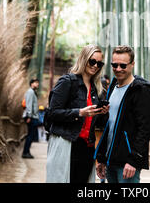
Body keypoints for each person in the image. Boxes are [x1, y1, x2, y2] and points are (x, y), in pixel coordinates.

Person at [46, 45, 109, 183]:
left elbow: (94, 122)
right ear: (83, 59)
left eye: (99, 63)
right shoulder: (67, 81)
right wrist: (79, 112)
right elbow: (52, 113)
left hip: (87, 147)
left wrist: (102, 113)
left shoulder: (95, 88)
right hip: (67, 143)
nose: (95, 66)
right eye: (92, 61)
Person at [95, 45, 150, 183]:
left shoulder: (140, 90)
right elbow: (109, 126)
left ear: (132, 64)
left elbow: (145, 128)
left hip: (127, 163)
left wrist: (134, 160)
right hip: (110, 159)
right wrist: (102, 158)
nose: (118, 69)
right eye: (115, 65)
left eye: (123, 65)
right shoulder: (112, 87)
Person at [22, 78, 40, 159]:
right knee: (30, 135)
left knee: (31, 135)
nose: (38, 84)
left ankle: (27, 151)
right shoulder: (30, 92)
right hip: (31, 117)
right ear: (32, 83)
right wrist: (29, 116)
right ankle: (25, 152)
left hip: (33, 117)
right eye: (36, 83)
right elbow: (28, 104)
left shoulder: (33, 92)